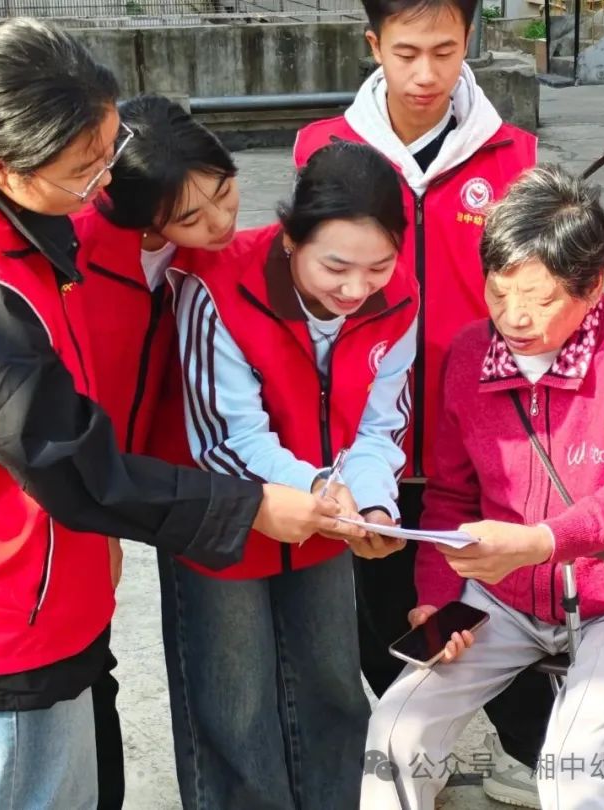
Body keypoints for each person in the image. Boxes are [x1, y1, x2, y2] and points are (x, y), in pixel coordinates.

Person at [0, 19, 346, 809]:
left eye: (111, 149)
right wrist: (248, 506)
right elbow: (75, 465)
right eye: (87, 171)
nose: (106, 183)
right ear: (3, 165)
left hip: (37, 568)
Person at [360, 166, 604, 810]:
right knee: (395, 732)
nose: (514, 318)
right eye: (498, 293)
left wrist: (538, 541)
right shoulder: (470, 352)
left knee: (573, 767)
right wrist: (436, 599)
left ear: (593, 285)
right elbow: (452, 497)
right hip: (503, 596)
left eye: (541, 300)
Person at [293, 0, 550, 802]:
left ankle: (527, 748)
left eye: (446, 50)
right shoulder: (323, 149)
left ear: (470, 40)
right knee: (387, 611)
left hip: (483, 433)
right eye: (406, 52)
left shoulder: (514, 156)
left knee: (494, 601)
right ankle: (418, 747)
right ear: (374, 45)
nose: (426, 74)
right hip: (368, 433)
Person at [159, 141, 414, 810]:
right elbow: (228, 438)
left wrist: (375, 505)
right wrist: (325, 493)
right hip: (224, 515)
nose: (356, 290)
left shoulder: (400, 300)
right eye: (335, 266)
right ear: (290, 237)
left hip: (327, 517)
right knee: (236, 704)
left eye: (378, 266)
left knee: (332, 686)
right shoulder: (218, 286)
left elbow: (380, 426)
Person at [67, 93, 242, 808]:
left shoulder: (217, 257)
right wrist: (98, 515)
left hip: (168, 474)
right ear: (139, 218)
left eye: (225, 193)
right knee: (84, 664)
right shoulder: (72, 254)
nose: (219, 224)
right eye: (191, 218)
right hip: (80, 481)